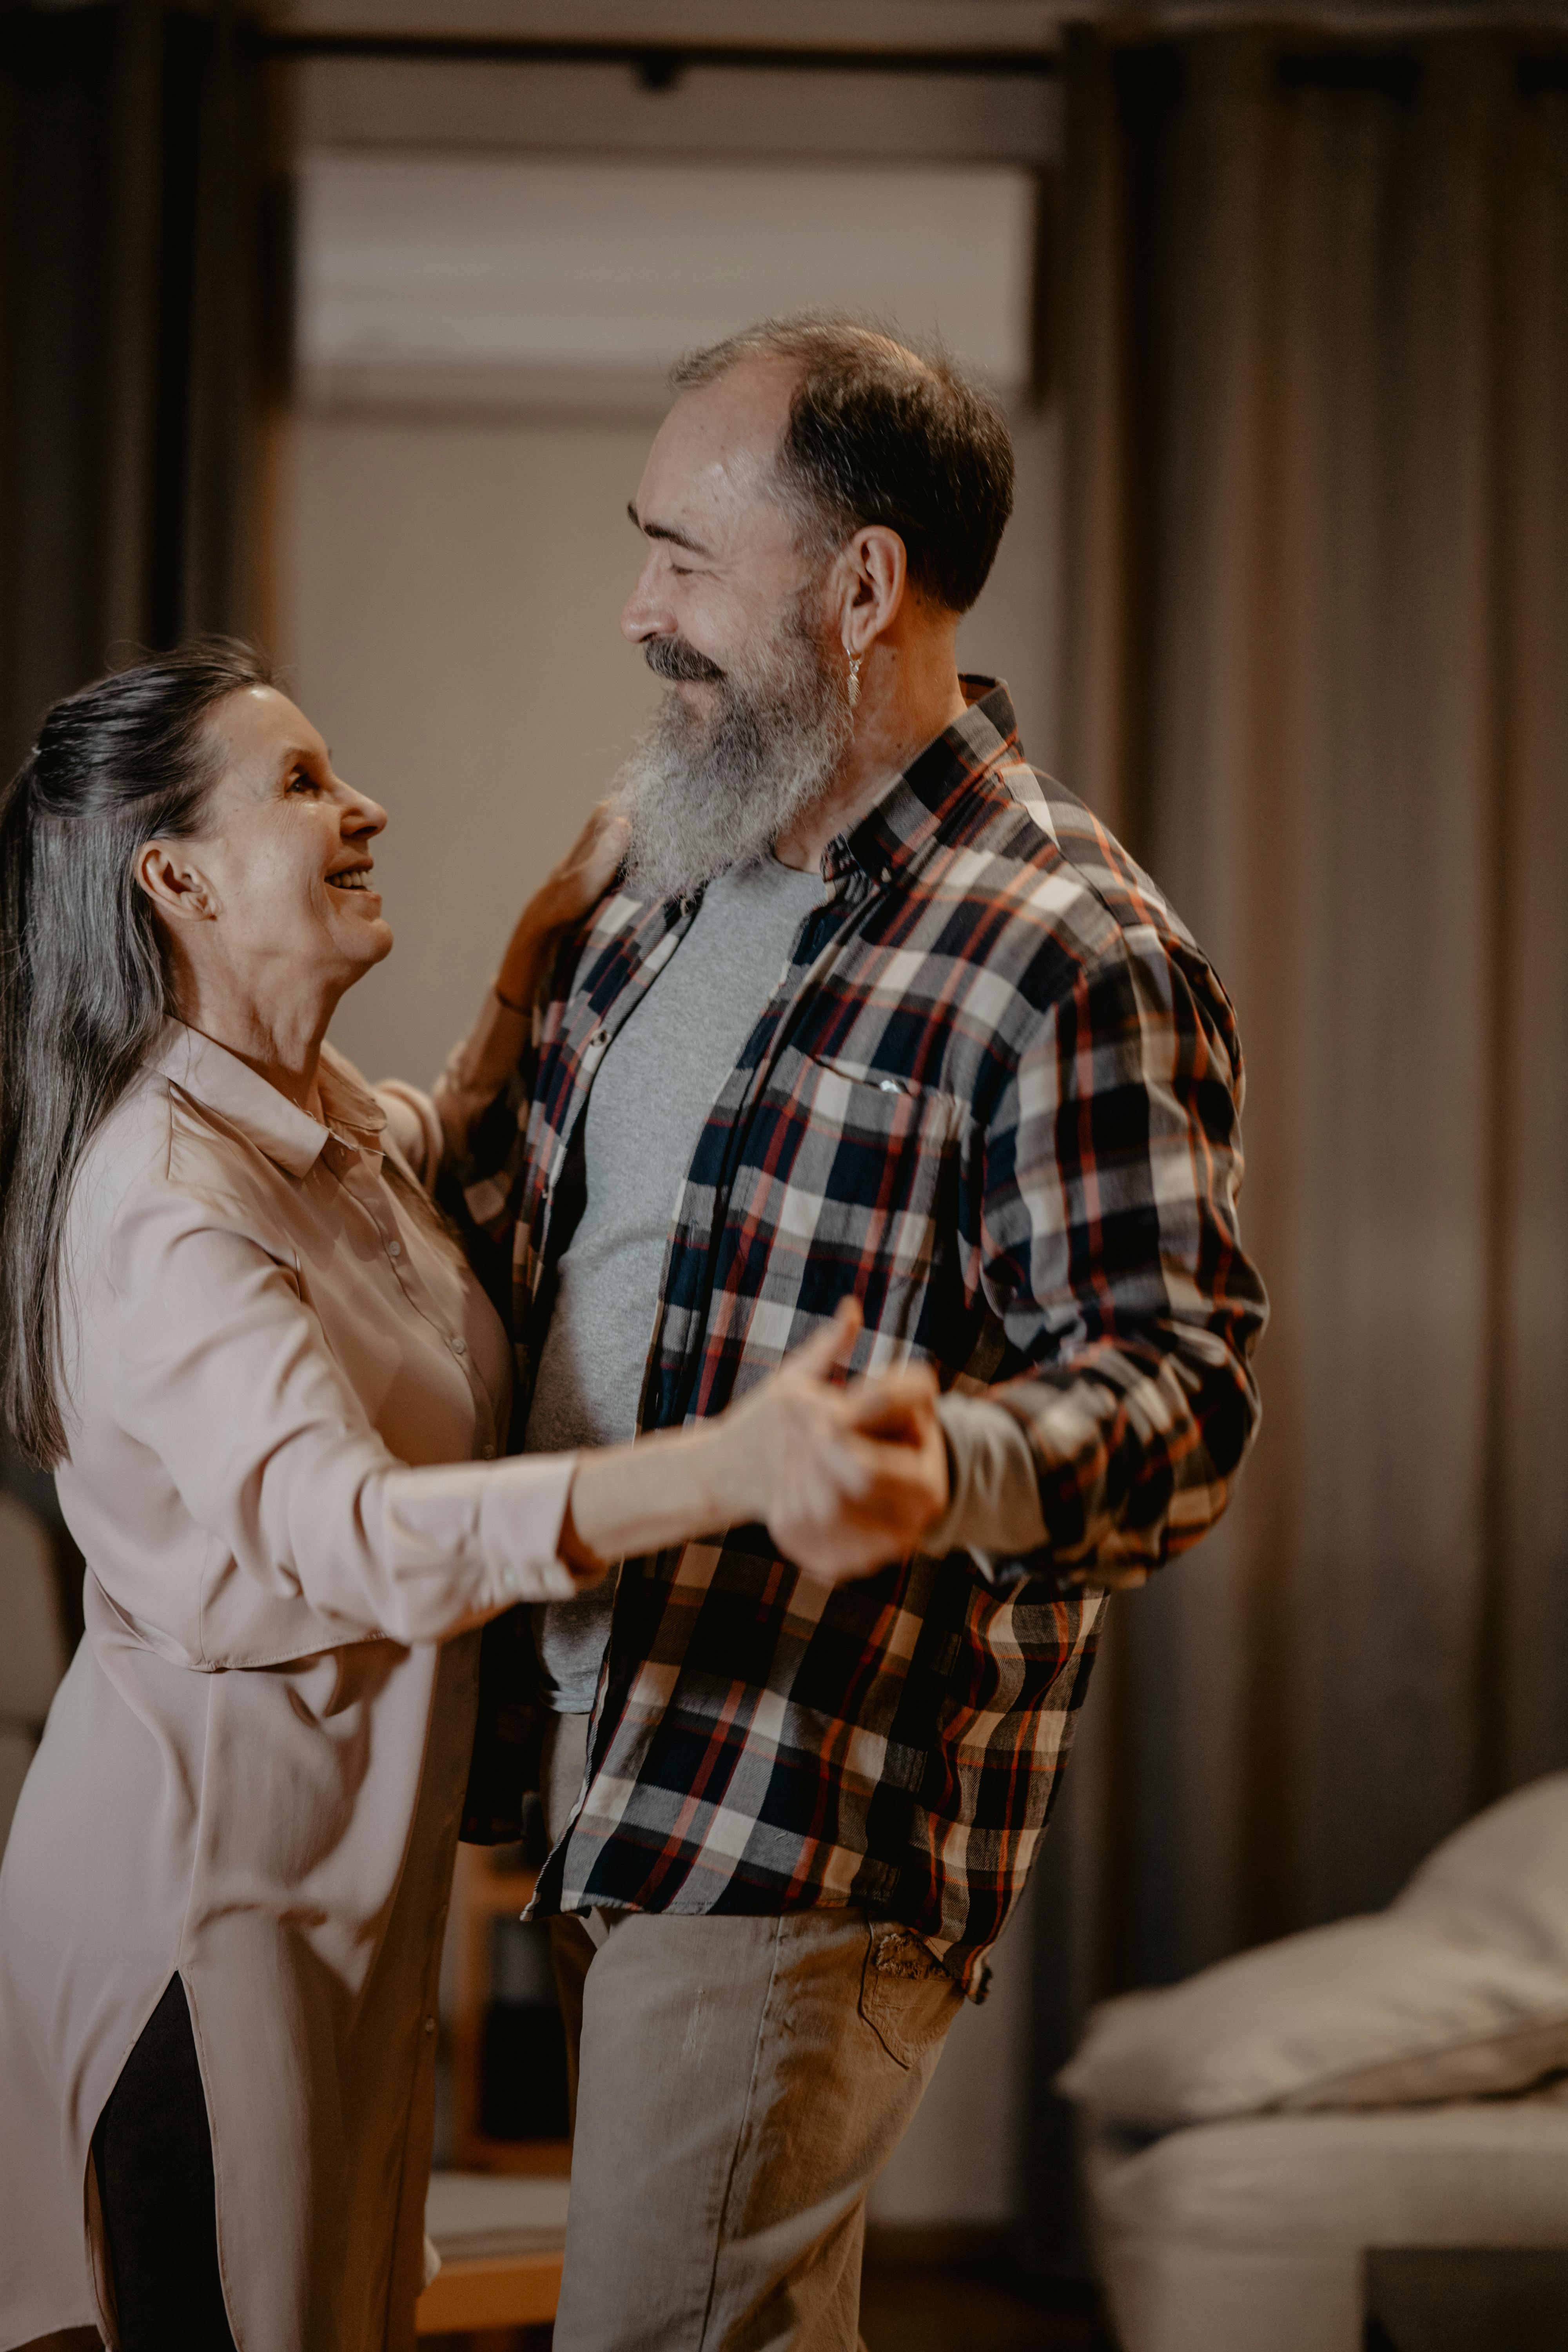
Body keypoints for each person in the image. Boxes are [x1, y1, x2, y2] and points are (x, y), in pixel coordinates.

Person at [443, 316, 1270, 2350]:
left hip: (809, 1795)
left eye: (683, 558)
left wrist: (943, 1472)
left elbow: (1182, 1397)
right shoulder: (649, 880)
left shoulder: (1068, 948)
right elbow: (532, 1259)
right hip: (570, 1751)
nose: (637, 608)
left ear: (861, 587)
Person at [0, 644, 948, 2352]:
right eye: (300, 785)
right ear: (177, 877)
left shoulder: (305, 1120)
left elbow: (416, 1166)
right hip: (200, 1917)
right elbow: (352, 1537)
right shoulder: (163, 1199)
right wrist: (721, 1471)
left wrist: (529, 963)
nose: (363, 806)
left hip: (332, 1897)